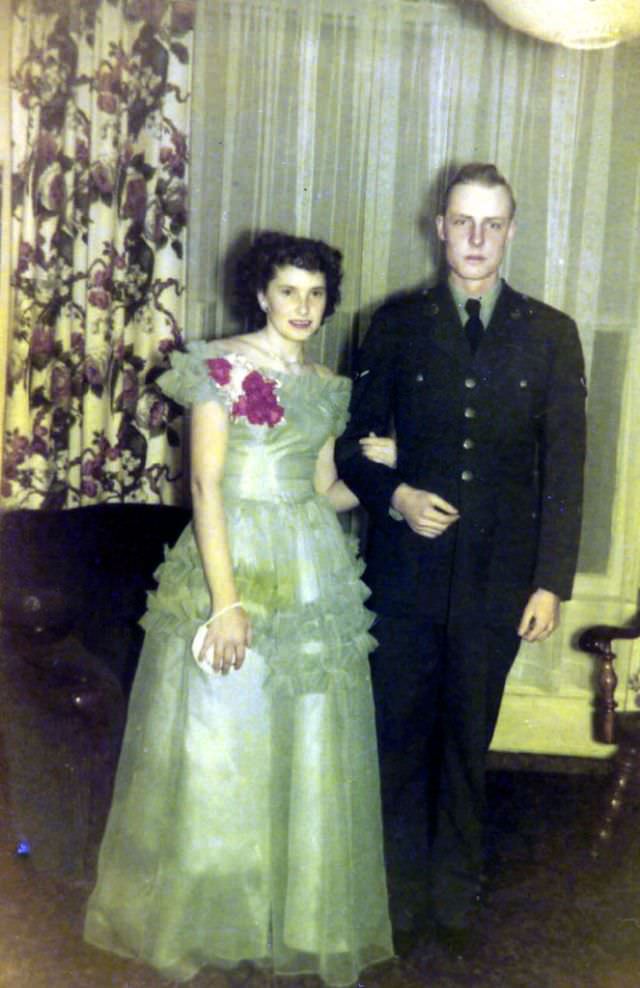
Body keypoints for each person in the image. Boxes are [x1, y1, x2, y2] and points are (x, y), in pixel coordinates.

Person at [84, 231, 396, 986]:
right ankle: (208, 915)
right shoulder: (221, 365)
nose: (303, 306)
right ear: (261, 293)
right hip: (233, 562)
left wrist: (377, 474)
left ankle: (281, 917)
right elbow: (205, 487)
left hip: (310, 561)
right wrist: (226, 605)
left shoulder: (326, 381)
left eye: (316, 294)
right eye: (288, 290)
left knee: (302, 738)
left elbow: (324, 489)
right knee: (225, 738)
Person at [334, 163, 587, 950]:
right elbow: (351, 446)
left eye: (492, 223)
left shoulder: (550, 332)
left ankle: (454, 908)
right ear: (438, 226)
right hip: (405, 577)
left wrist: (550, 582)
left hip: (497, 581)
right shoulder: (394, 322)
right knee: (399, 739)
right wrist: (399, 497)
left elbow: (567, 468)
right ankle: (395, 905)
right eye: (462, 221)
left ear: (511, 231)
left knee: (467, 742)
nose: (476, 238)